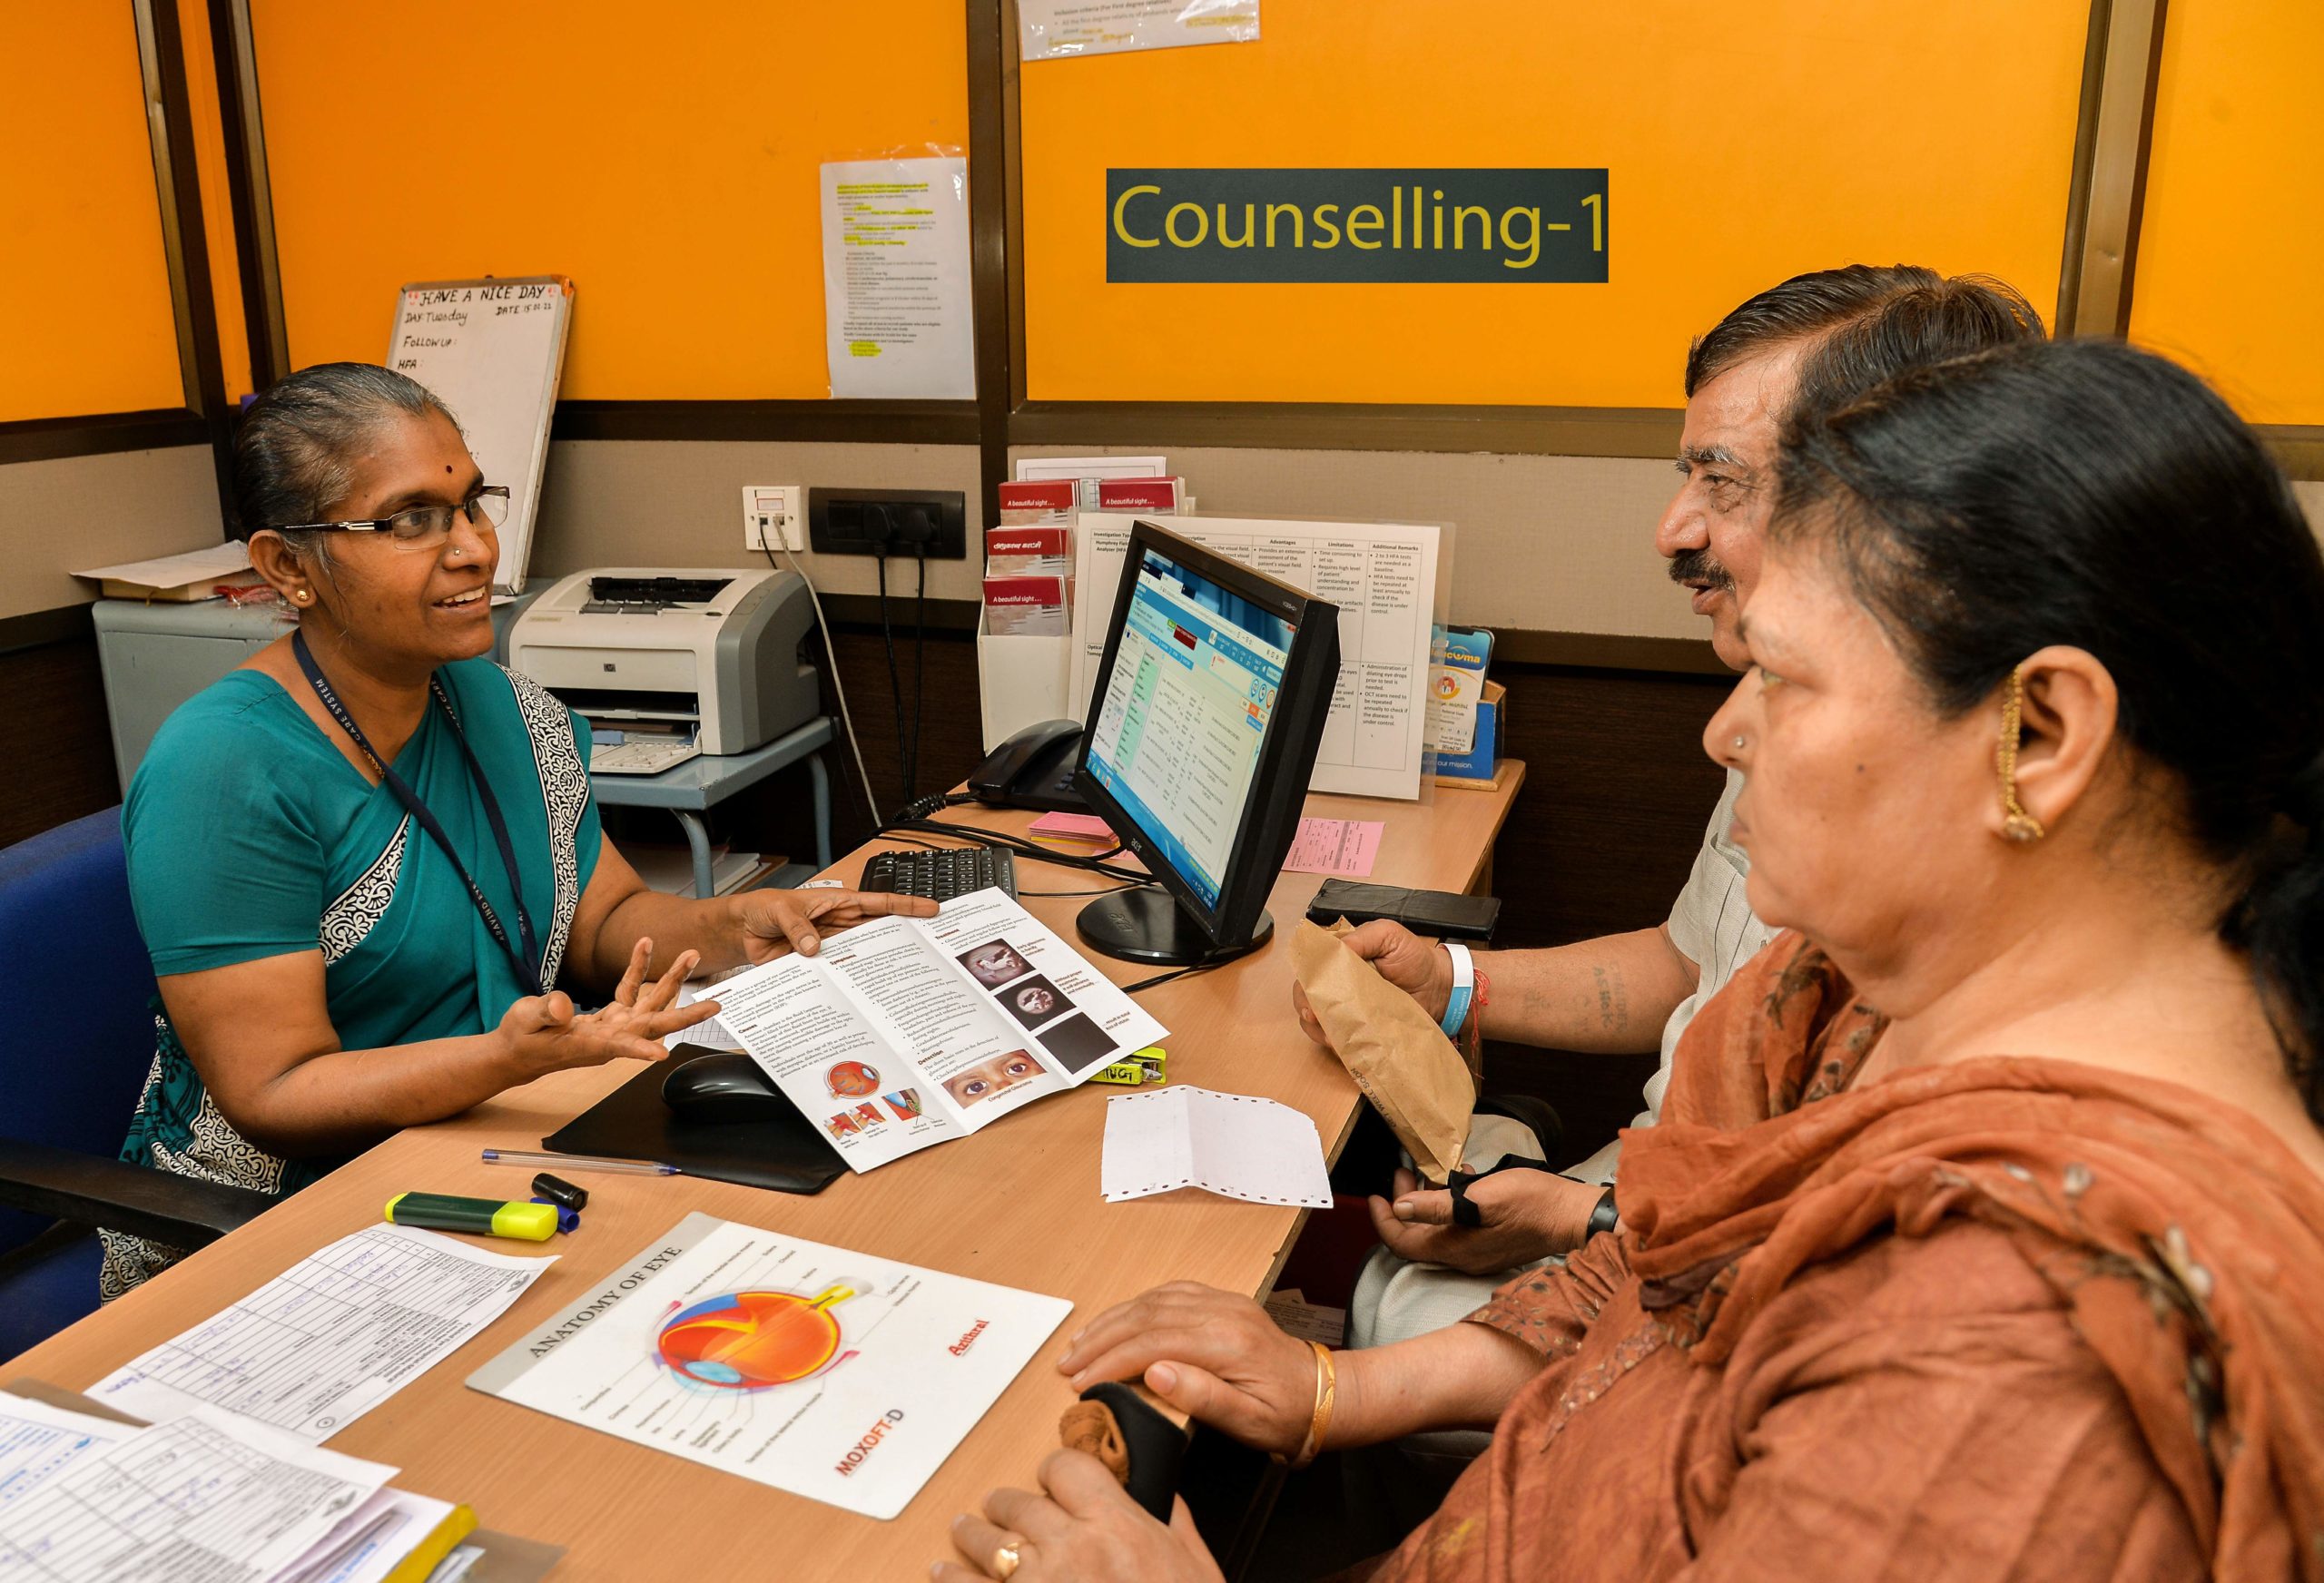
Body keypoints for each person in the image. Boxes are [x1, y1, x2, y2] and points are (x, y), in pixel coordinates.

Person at [941, 337, 2324, 1583]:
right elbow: (1659, 1278)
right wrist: (1328, 1395)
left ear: (2040, 734)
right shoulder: (1850, 995)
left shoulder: (2018, 1372)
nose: (1724, 733)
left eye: (1779, 680)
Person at [1315, 267, 2044, 1345]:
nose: (1670, 528)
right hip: (1669, 1182)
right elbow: (1694, 957)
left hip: (1741, 1268)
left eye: (1723, 480)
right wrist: (1450, 980)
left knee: (1391, 1311)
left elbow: (1851, 1246)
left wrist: (1583, 1215)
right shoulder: (1777, 693)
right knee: (1381, 1293)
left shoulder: (1978, 821)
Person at [103, 363, 934, 1298]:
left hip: (498, 1148)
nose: (470, 548)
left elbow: (601, 914)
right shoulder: (223, 768)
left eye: (471, 504)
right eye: (409, 519)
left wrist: (727, 930)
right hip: (277, 1226)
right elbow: (276, 1093)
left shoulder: (507, 708)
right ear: (289, 566)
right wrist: (505, 1059)